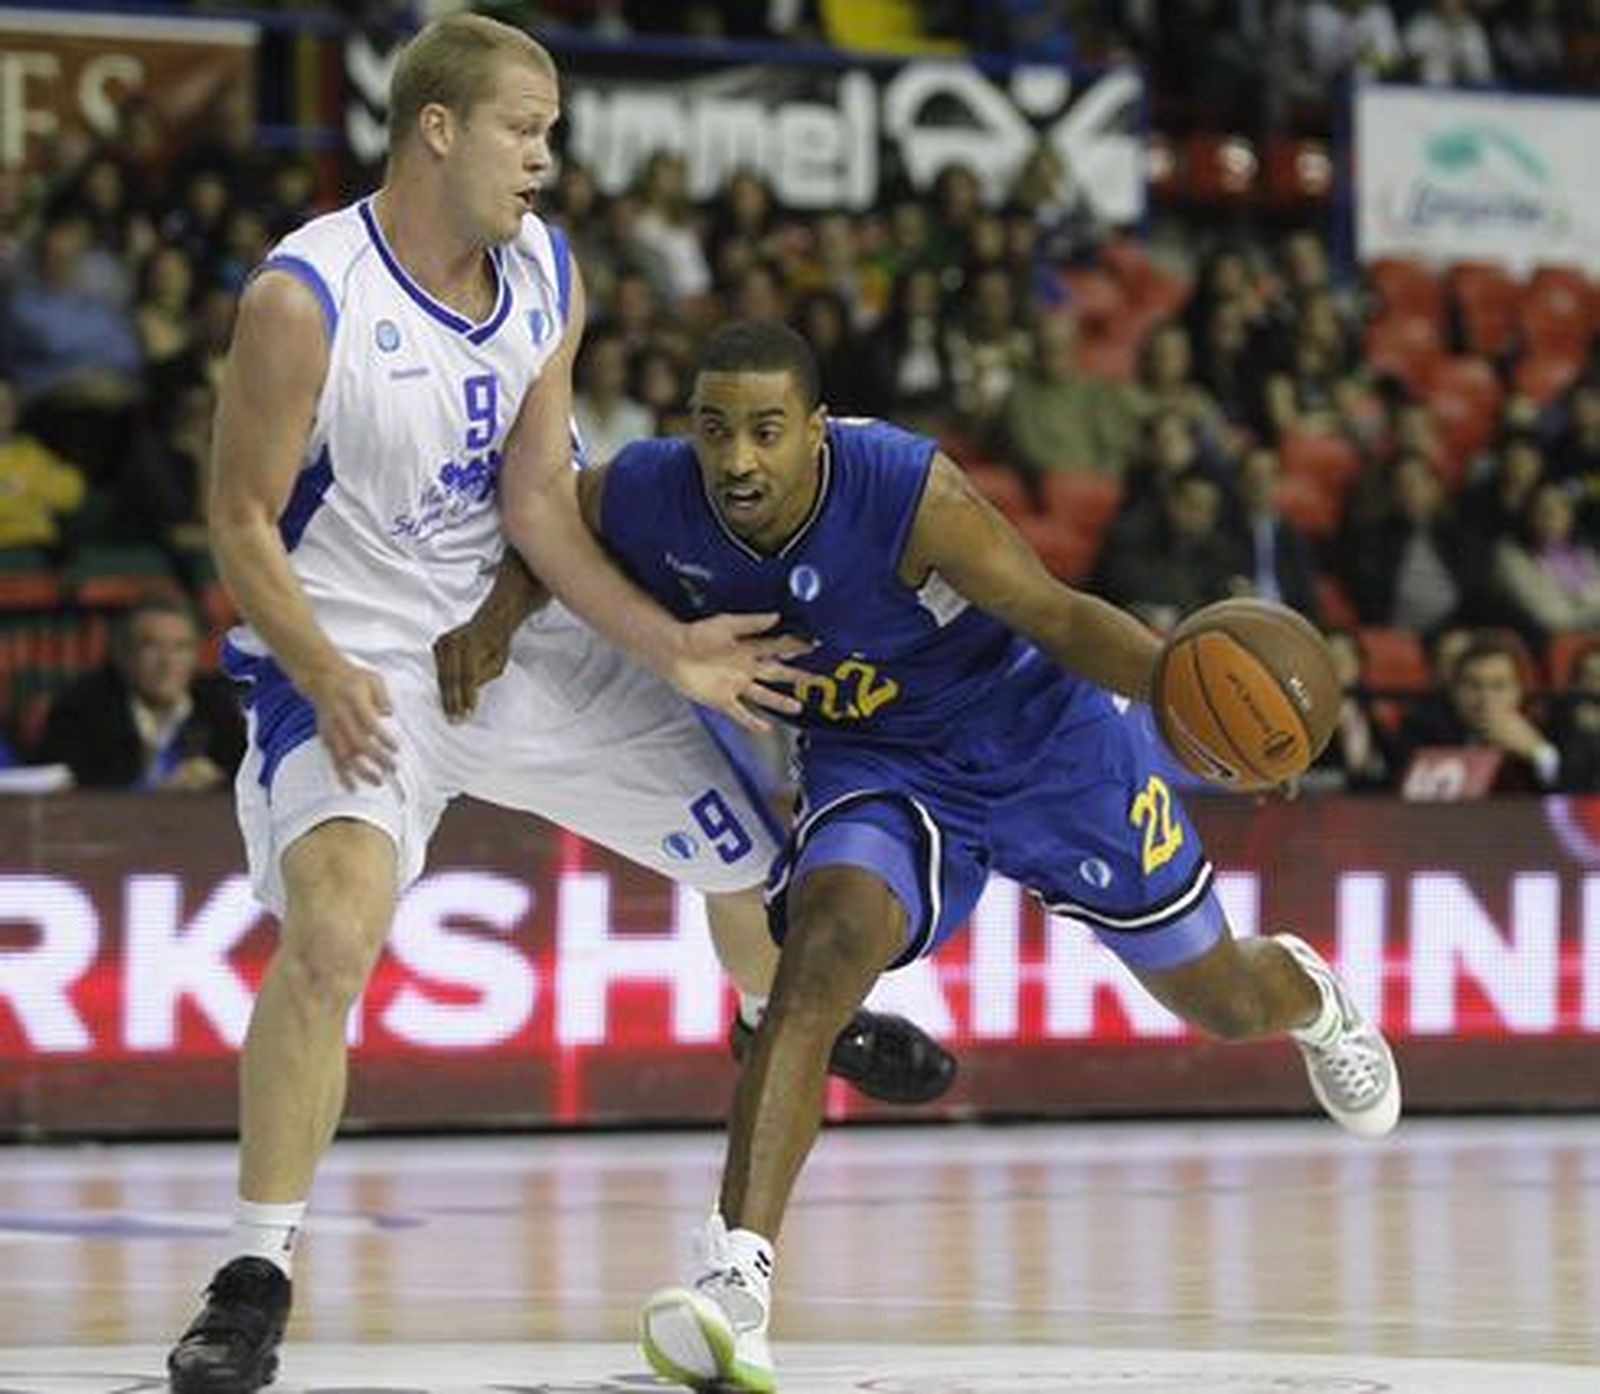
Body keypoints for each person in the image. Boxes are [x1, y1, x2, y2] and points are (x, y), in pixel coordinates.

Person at [163, 21, 950, 1394]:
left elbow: (540, 499)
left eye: (554, 130)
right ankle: (254, 1270)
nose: (547, 155)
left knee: (757, 865)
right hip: (347, 649)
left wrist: (670, 647)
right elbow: (234, 520)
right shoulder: (307, 296)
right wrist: (324, 664)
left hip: (507, 634)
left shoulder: (544, 271)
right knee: (334, 936)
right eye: (526, 127)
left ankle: (778, 1008)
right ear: (438, 131)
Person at [456, 320, 1402, 1392]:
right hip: (882, 761)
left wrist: (1191, 716)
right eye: (714, 429)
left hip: (1046, 741)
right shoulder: (652, 491)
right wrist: (495, 618)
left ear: (815, 432)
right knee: (818, 953)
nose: (736, 457)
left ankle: (1314, 997)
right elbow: (550, 529)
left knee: (1225, 998)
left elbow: (1052, 611)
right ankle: (735, 1281)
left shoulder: (910, 490)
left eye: (765, 429)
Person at [36, 593, 243, 791]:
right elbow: (72, 798)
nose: (167, 662)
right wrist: (155, 792)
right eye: (151, 646)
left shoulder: (219, 710)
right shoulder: (80, 713)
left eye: (181, 647)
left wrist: (220, 784)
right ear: (122, 654)